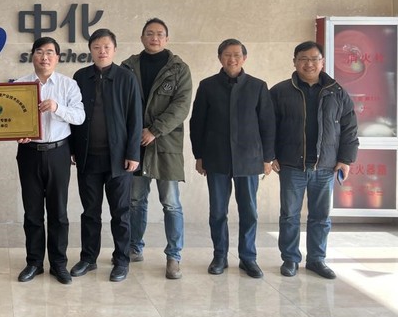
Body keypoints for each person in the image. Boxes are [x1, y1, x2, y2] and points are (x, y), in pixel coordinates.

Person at [270, 41, 358, 279]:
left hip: (326, 166)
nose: (309, 64)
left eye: (314, 59)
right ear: (295, 62)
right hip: (291, 164)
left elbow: (349, 128)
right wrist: (270, 155)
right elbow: (268, 127)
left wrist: (346, 159)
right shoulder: (280, 91)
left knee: (320, 217)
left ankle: (317, 259)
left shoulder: (337, 92)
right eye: (303, 59)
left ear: (322, 62)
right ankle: (290, 259)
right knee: (290, 215)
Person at [190, 38, 276, 278]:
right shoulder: (207, 86)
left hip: (249, 159)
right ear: (220, 58)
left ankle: (248, 258)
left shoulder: (258, 86)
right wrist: (199, 155)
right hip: (216, 158)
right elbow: (197, 123)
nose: (232, 59)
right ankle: (220, 256)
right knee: (218, 211)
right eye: (227, 54)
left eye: (237, 55)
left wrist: (268, 158)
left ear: (244, 58)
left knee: (249, 212)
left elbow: (268, 124)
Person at [121, 17, 192, 280]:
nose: (154, 38)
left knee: (171, 203)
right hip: (135, 144)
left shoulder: (179, 69)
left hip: (165, 145)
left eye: (160, 34)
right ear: (142, 38)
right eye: (149, 33)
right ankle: (134, 247)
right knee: (135, 200)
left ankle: (174, 256)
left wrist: (154, 130)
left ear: (167, 39)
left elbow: (181, 106)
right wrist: (135, 133)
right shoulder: (128, 67)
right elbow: (121, 104)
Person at [69, 28, 142, 282]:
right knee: (90, 212)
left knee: (120, 213)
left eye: (106, 47)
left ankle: (121, 260)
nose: (102, 51)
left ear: (114, 50)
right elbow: (72, 117)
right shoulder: (80, 77)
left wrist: (133, 153)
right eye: (97, 47)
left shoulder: (126, 78)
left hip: (119, 159)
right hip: (88, 157)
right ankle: (88, 258)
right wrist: (73, 149)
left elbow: (135, 118)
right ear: (90, 50)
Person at [15, 37, 85, 285]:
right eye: (39, 52)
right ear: (32, 55)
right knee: (32, 212)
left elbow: (79, 116)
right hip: (29, 153)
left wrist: (57, 107)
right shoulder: (20, 85)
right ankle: (34, 262)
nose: (44, 57)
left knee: (58, 212)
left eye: (49, 52)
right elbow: (11, 119)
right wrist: (17, 132)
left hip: (58, 153)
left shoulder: (68, 85)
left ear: (57, 57)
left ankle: (58, 263)